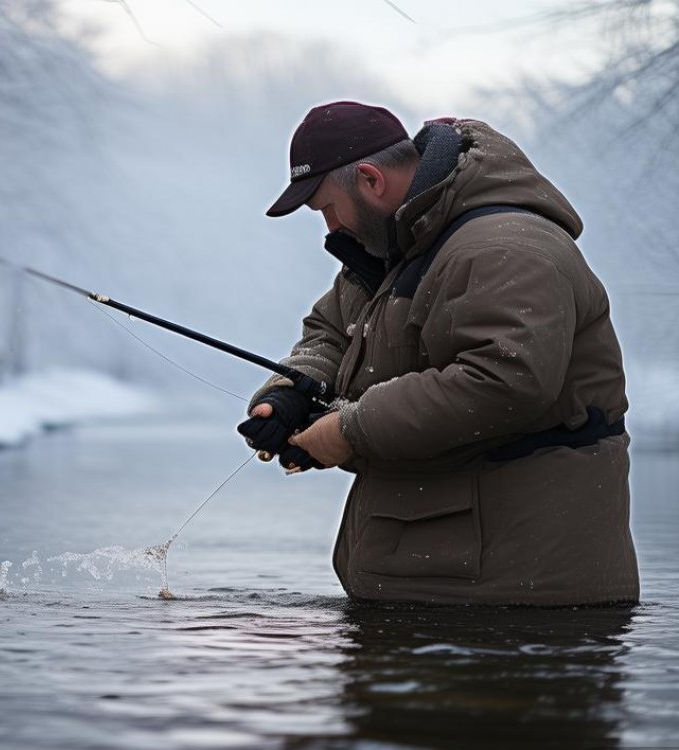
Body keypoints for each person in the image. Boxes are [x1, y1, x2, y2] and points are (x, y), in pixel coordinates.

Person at [239, 101, 639, 605]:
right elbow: (332, 331)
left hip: (520, 603)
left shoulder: (504, 247)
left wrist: (348, 430)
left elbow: (502, 381)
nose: (330, 228)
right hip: (441, 589)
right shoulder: (395, 247)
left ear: (369, 179)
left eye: (326, 208)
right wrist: (295, 391)